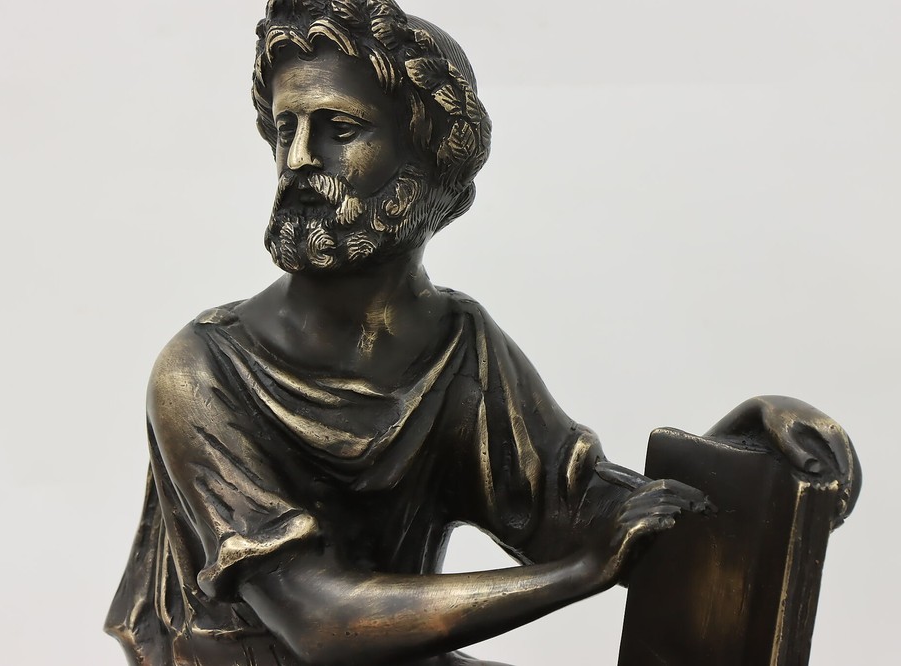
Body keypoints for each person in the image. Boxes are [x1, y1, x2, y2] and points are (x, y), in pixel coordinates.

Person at [106, 2, 858, 665]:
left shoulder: (458, 346)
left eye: (339, 129)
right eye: (285, 128)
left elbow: (580, 513)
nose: (299, 159)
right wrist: (578, 575)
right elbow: (314, 620)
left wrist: (754, 463)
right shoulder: (201, 371)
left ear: (429, 162)